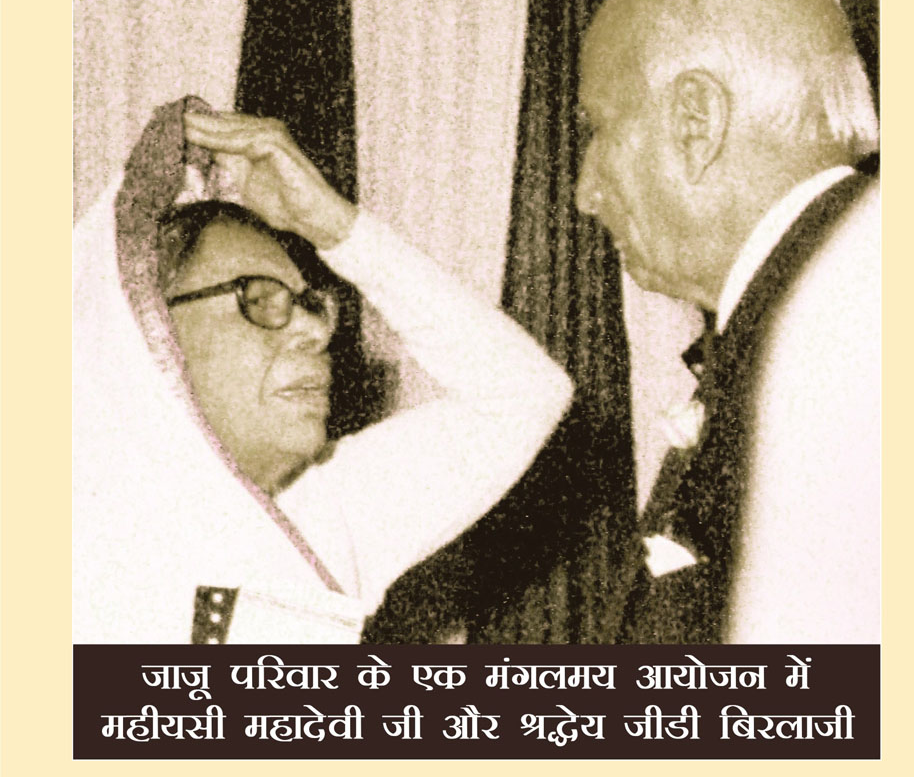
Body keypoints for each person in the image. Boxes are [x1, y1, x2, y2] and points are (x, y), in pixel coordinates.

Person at [73, 98, 572, 643]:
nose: (314, 330)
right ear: (147, 330)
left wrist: (335, 228)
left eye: (310, 304)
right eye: (258, 298)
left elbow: (523, 393)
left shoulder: (320, 511)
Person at [574, 0, 880, 643]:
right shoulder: (811, 307)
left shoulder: (842, 335)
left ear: (696, 121)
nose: (585, 195)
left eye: (599, 128)